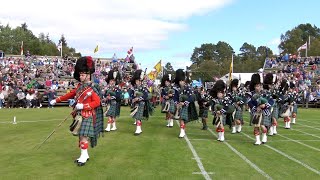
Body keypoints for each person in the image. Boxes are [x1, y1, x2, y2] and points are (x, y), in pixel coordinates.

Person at [50, 56, 104, 166]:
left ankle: (83, 157)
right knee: (81, 135)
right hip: (79, 114)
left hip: (88, 114)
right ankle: (85, 154)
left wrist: (83, 106)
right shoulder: (80, 86)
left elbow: (97, 102)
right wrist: (57, 100)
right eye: (80, 74)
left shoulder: (93, 87)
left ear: (88, 75)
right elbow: (70, 94)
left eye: (82, 74)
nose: (80, 76)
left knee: (83, 135)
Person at [129, 69, 153, 135]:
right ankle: (139, 129)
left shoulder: (144, 88)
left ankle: (138, 129)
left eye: (139, 80)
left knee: (138, 116)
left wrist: (139, 98)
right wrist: (132, 99)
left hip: (141, 103)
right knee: (137, 117)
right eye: (137, 80)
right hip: (135, 104)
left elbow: (146, 95)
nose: (138, 82)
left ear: (141, 81)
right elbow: (130, 95)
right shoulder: (133, 88)